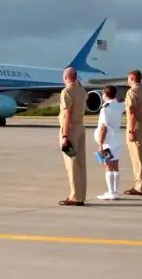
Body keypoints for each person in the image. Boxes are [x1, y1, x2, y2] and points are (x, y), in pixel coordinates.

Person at [58, 67, 89, 206]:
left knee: (71, 162)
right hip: (80, 128)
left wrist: (64, 136)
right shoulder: (81, 91)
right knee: (81, 162)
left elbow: (66, 115)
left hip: (70, 129)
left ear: (65, 77)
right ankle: (81, 195)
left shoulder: (67, 92)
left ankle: (75, 196)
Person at [123, 69, 142, 195]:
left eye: (128, 78)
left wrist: (131, 130)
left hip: (137, 125)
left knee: (137, 157)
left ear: (132, 78)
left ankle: (140, 186)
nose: (127, 81)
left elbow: (132, 112)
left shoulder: (132, 92)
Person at [94, 85, 125, 200]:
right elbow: (124, 103)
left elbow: (103, 128)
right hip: (117, 138)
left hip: (108, 141)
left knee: (107, 165)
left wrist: (100, 145)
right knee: (115, 165)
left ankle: (110, 192)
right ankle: (115, 191)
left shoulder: (105, 108)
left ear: (105, 94)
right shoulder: (119, 105)